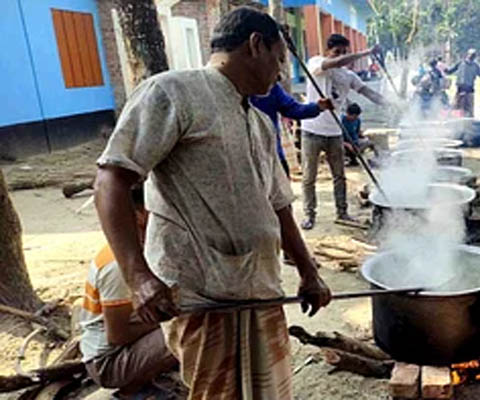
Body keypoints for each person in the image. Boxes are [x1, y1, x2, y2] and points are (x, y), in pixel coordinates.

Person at [93, 8, 332, 399]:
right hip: (205, 299)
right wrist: (138, 278)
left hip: (260, 290)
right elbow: (111, 179)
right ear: (255, 45)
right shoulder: (172, 92)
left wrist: (308, 272)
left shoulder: (256, 121)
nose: (280, 72)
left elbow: (279, 204)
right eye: (279, 58)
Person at [80, 186, 177, 399]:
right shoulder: (117, 265)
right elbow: (117, 336)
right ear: (139, 215)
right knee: (189, 327)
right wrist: (170, 317)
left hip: (126, 345)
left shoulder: (140, 249)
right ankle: (130, 390)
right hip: (109, 362)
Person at [300, 33, 388, 230]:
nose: (340, 57)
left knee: (339, 176)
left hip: (335, 132)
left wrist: (392, 104)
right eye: (336, 52)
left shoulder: (349, 76)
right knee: (309, 178)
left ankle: (342, 213)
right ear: (327, 51)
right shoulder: (317, 63)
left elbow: (368, 92)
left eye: (343, 52)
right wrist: (366, 52)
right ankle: (309, 215)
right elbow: (336, 63)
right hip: (311, 130)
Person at [250, 82, 332, 177]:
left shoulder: (273, 88)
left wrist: (317, 107)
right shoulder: (236, 88)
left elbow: (292, 109)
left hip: (273, 154)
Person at [445, 48, 480, 117]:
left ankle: (470, 122)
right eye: (471, 55)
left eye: (473, 55)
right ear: (467, 55)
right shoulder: (461, 63)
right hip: (460, 89)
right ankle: (448, 117)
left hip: (469, 89)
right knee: (455, 106)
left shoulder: (475, 66)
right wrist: (445, 70)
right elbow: (450, 71)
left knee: (469, 109)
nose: (471, 57)